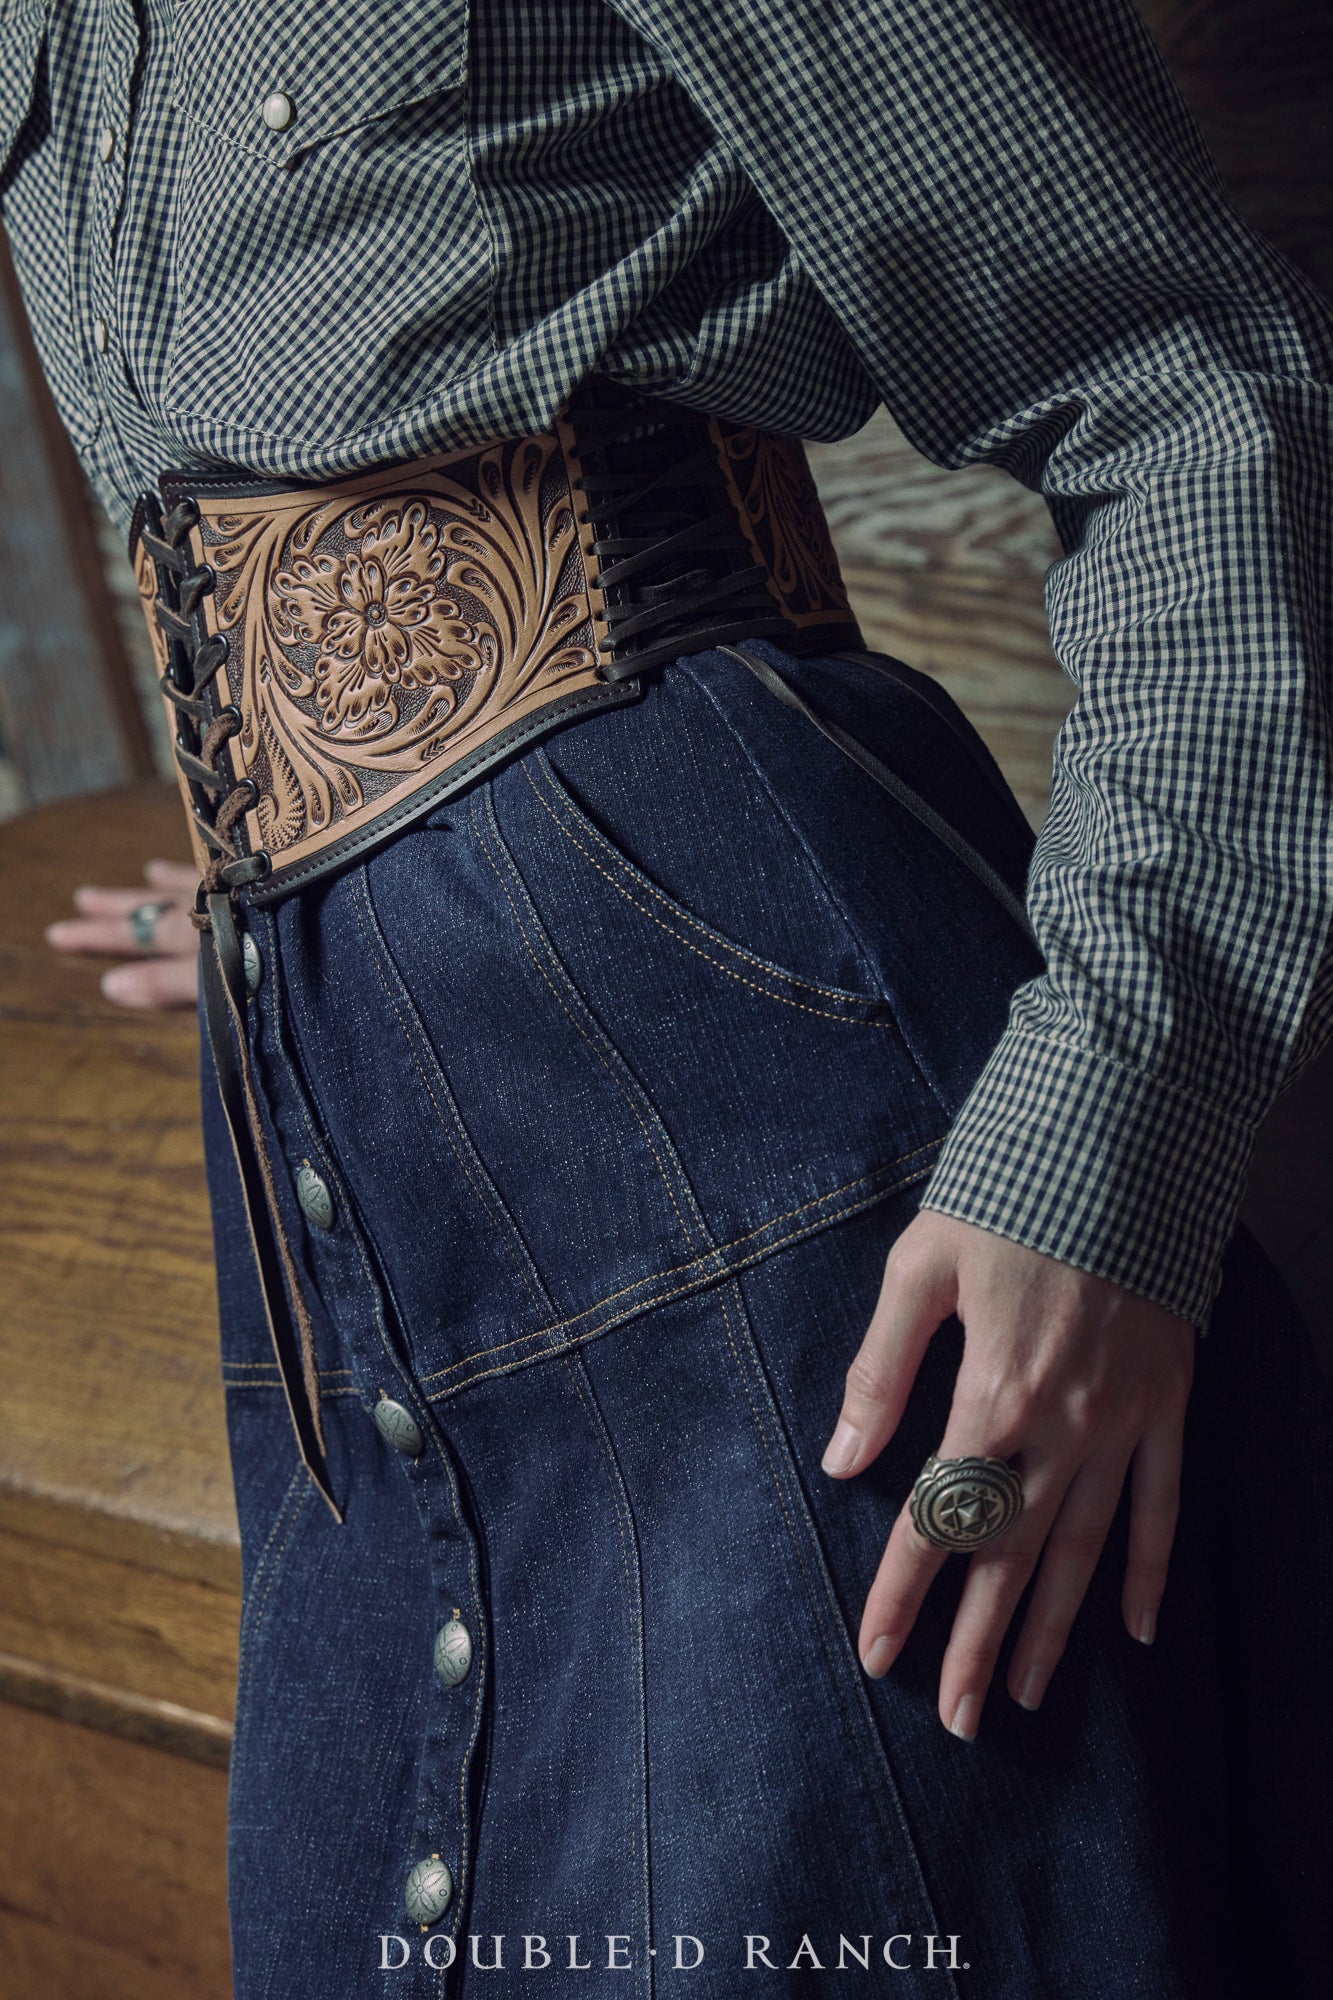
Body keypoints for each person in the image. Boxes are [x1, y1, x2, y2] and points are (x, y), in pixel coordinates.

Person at [8, 1, 1333, 1993]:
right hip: (324, 1118)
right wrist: (320, 829)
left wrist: (1108, 1139)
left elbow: (1192, 391)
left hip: (754, 1082)